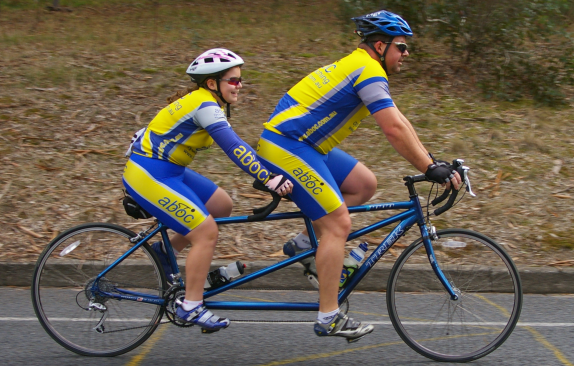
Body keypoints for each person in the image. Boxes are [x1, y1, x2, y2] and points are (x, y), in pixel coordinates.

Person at [255, 10, 462, 341]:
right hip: (287, 146)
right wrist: (427, 168)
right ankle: (329, 316)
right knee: (339, 224)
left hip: (306, 145)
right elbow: (393, 130)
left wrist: (432, 161)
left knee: (364, 184)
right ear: (380, 45)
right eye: (401, 47)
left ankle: (306, 245)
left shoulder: (364, 67)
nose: (406, 54)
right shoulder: (366, 70)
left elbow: (401, 122)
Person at [122, 48, 293, 332]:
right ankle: (191, 306)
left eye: (240, 80)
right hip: (148, 174)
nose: (240, 86)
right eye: (233, 81)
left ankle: (165, 251)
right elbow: (235, 148)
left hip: (169, 171)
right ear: (212, 83)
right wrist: (268, 177)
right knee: (205, 232)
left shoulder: (204, 101)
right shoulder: (206, 106)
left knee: (221, 206)